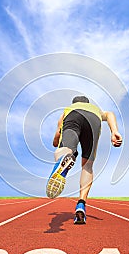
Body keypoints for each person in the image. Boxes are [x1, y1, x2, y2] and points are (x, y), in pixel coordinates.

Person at [46, 96, 123, 224]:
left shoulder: (68, 109)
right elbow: (110, 113)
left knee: (65, 149)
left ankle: (64, 161)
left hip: (73, 116)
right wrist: (114, 131)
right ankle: (81, 204)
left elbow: (57, 137)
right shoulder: (96, 109)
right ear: (87, 103)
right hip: (94, 120)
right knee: (87, 165)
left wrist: (57, 142)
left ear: (74, 103)